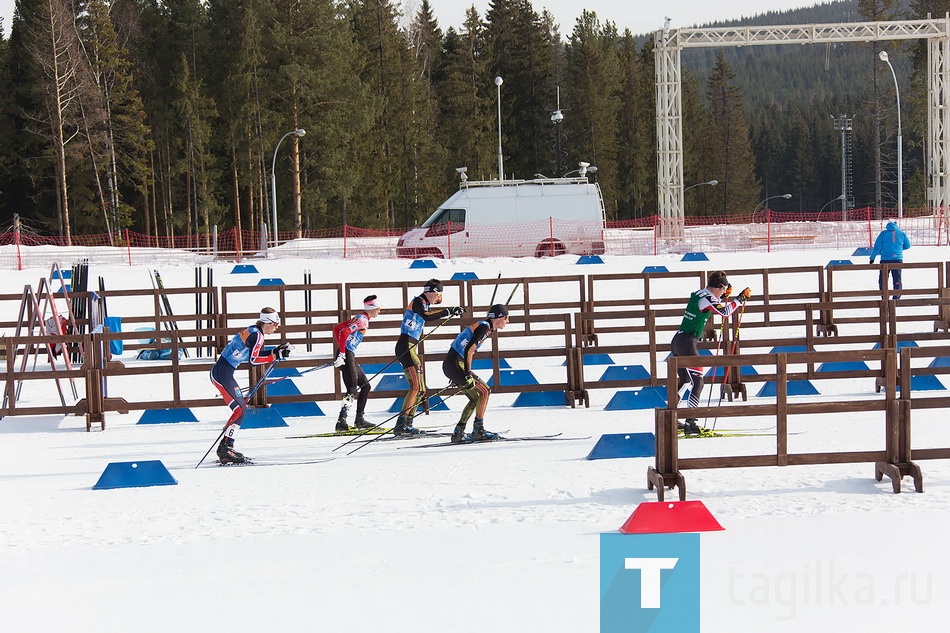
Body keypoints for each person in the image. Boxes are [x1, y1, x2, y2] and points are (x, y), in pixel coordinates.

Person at [670, 271, 750, 436]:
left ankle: (673, 417)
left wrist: (722, 297)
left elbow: (712, 303)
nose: (723, 292)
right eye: (724, 289)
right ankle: (690, 422)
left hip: (678, 341)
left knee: (685, 380)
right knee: (698, 383)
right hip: (687, 344)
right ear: (719, 286)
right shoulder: (708, 299)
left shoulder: (700, 293)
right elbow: (726, 312)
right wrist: (739, 300)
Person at [210, 307, 291, 463]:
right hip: (221, 374)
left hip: (224, 372)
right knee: (240, 410)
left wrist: (275, 351)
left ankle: (226, 447)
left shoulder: (255, 332)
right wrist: (275, 355)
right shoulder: (257, 336)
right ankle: (225, 449)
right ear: (268, 322)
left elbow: (255, 355)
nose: (277, 327)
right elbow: (254, 361)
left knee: (241, 410)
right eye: (276, 323)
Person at [393, 278, 463, 435]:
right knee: (416, 387)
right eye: (438, 294)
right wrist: (448, 311)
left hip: (411, 346)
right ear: (431, 292)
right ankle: (402, 424)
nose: (439, 298)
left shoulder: (424, 303)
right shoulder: (418, 301)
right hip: (406, 345)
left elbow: (430, 313)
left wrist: (452, 311)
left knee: (421, 388)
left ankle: (408, 423)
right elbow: (427, 316)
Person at [443, 304, 509, 443]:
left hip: (452, 365)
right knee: (485, 391)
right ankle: (478, 430)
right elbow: (469, 350)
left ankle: (459, 431)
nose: (507, 321)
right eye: (507, 318)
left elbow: (468, 350)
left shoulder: (484, 326)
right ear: (500, 317)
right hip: (455, 365)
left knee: (476, 397)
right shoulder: (484, 328)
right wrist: (467, 373)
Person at [331, 295, 382, 432]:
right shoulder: (362, 320)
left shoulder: (360, 317)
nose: (379, 311)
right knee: (352, 388)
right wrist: (342, 352)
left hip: (348, 354)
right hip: (347, 354)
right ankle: (341, 421)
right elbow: (345, 331)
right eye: (378, 308)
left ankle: (359, 419)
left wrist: (341, 350)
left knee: (365, 386)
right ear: (372, 308)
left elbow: (337, 329)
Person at [870, 220, 911, 299]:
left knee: (883, 279)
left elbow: (877, 246)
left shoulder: (883, 233)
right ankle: (896, 296)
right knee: (897, 278)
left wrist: (872, 258)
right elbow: (908, 245)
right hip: (897, 259)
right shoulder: (901, 233)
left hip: (885, 259)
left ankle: (884, 296)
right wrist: (899, 249)